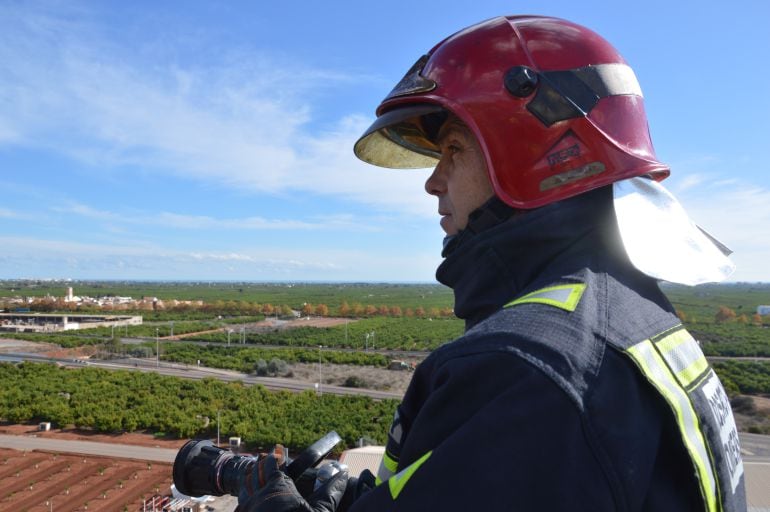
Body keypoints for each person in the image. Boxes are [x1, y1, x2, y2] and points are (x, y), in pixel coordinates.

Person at [240, 15, 747, 512]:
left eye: (454, 149)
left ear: (527, 154)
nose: (433, 182)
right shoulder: (628, 315)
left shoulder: (524, 370)